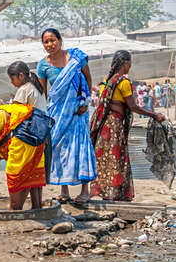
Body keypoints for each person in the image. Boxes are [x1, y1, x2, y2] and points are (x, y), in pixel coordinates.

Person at [90, 50, 165, 201]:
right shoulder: (123, 83)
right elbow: (133, 106)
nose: (130, 66)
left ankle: (104, 191)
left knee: (104, 158)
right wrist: (154, 114)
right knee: (117, 158)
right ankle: (116, 193)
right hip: (115, 125)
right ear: (125, 63)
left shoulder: (108, 81)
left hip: (104, 125)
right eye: (129, 63)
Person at [37, 28, 97, 203]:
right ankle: (64, 191)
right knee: (59, 149)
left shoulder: (76, 58)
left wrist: (85, 103)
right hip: (57, 114)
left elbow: (88, 79)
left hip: (78, 112)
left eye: (53, 40)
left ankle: (85, 191)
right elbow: (43, 93)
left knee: (80, 148)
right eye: (46, 42)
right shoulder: (43, 65)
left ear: (60, 40)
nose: (50, 44)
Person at [7, 61, 50, 193]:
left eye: (12, 79)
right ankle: (36, 205)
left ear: (21, 76)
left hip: (30, 135)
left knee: (25, 172)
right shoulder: (37, 87)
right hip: (43, 133)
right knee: (37, 172)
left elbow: (16, 115)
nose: (11, 82)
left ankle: (18, 205)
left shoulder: (24, 90)